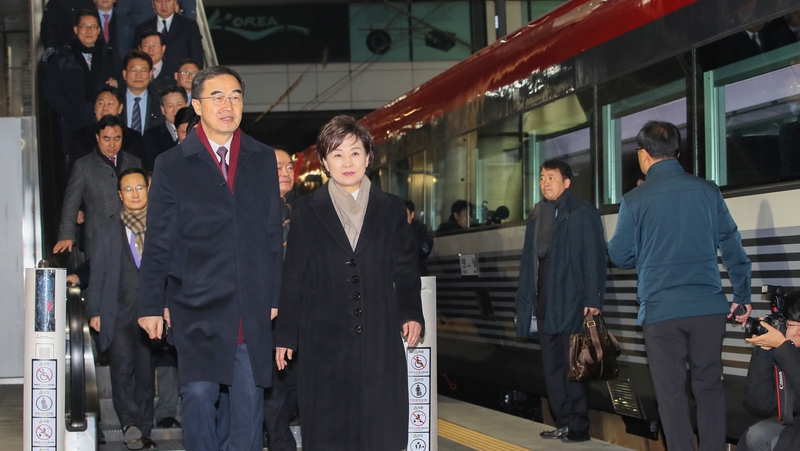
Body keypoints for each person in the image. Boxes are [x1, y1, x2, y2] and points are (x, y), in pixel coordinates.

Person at [137, 66, 283, 451]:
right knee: (200, 396)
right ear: (197, 105)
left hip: (248, 303)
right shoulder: (172, 163)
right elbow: (158, 241)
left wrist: (273, 296)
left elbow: (272, 233)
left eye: (235, 96)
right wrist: (152, 303)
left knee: (249, 401)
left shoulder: (261, 157)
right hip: (195, 302)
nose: (227, 104)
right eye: (216, 96)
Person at [274, 115, 425, 451]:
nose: (347, 162)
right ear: (325, 162)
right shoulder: (306, 211)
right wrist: (285, 334)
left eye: (355, 153)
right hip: (322, 340)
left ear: (369, 158)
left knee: (380, 427)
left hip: (379, 335)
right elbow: (294, 275)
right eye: (337, 154)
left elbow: (405, 268)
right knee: (330, 431)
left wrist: (410, 312)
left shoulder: (390, 208)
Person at [608, 121, 752, 451]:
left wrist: (645, 256)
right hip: (707, 309)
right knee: (709, 388)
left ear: (643, 155)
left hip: (661, 313)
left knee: (671, 396)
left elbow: (618, 255)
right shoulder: (707, 190)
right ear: (677, 153)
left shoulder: (634, 199)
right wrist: (741, 296)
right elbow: (731, 245)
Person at [514, 159, 606, 443]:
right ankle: (563, 421)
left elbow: (595, 256)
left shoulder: (581, 212)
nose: (545, 183)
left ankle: (578, 426)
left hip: (572, 300)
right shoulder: (538, 214)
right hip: (544, 301)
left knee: (574, 364)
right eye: (542, 177)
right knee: (552, 366)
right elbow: (529, 264)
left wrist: (593, 297)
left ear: (567, 182)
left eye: (551, 177)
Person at [86, 167, 157, 450]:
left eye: (139, 187)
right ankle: (130, 425)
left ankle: (146, 429)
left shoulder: (162, 225)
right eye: (128, 189)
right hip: (117, 314)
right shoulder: (107, 229)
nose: (135, 194)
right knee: (121, 371)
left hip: (151, 315)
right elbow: (98, 274)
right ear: (119, 195)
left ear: (148, 189)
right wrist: (94, 311)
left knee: (145, 375)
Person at [54, 114, 142, 257]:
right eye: (106, 139)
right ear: (97, 138)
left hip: (132, 234)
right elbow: (71, 202)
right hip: (98, 236)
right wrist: (67, 234)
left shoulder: (134, 162)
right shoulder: (83, 166)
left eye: (117, 138)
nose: (112, 144)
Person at [263, 146, 298, 451]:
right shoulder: (251, 212)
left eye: (289, 167)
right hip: (267, 314)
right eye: (277, 168)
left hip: (303, 312)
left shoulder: (305, 210)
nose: (286, 173)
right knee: (274, 389)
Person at [43, 10, 117, 155]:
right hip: (74, 125)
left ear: (98, 30)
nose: (89, 31)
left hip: (105, 125)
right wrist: (72, 110)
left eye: (93, 27)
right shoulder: (62, 57)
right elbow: (50, 89)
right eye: (84, 27)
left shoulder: (108, 55)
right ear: (76, 30)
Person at [738, 291, 800, 451]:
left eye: (788, 323)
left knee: (782, 444)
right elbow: (759, 402)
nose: (783, 328)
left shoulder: (788, 351)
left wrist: (784, 349)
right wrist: (764, 351)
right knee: (755, 435)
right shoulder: (791, 350)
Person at [71, 85, 144, 166]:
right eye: (101, 103)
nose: (105, 108)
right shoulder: (80, 138)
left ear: (120, 108)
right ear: (94, 108)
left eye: (110, 103)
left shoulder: (134, 138)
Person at [133, 0, 203, 69]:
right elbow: (136, 57)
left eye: (168, 1)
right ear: (153, 4)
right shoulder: (142, 27)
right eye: (159, 1)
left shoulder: (189, 26)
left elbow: (197, 57)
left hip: (180, 76)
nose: (163, 5)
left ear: (175, 2)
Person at [119, 49, 165, 134]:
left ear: (150, 74)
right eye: (133, 70)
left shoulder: (161, 99)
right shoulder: (115, 99)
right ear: (124, 74)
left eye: (143, 70)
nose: (138, 75)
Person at [142, 85, 186, 169]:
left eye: (179, 104)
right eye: (170, 106)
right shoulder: (151, 136)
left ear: (186, 105)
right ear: (162, 109)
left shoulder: (196, 132)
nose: (175, 109)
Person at [404, 200, 433, 275]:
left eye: (405, 215)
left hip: (417, 274)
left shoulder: (421, 230)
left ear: (412, 215)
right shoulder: (393, 230)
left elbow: (424, 250)